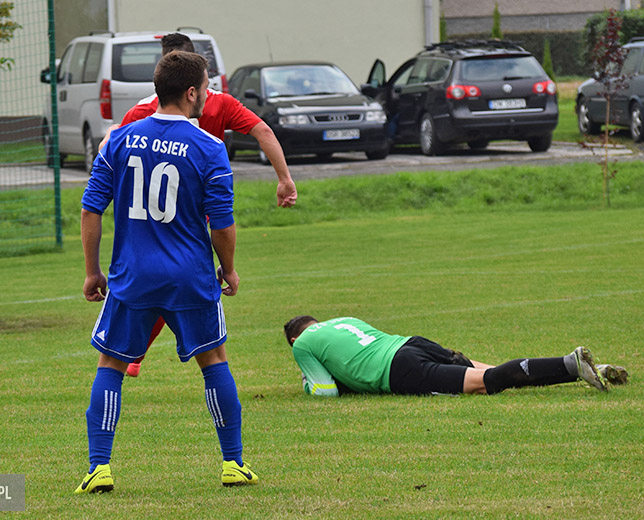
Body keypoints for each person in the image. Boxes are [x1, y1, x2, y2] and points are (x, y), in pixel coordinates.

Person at [75, 50, 259, 494]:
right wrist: (229, 269)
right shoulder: (210, 147)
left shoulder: (119, 139)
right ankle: (233, 463)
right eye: (206, 88)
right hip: (189, 276)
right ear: (192, 92)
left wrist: (92, 271)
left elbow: (90, 209)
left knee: (111, 364)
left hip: (132, 276)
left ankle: (99, 467)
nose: (208, 95)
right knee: (214, 360)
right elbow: (222, 224)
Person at [101, 32, 297, 379]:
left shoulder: (142, 112)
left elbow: (113, 151)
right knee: (184, 284)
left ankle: (133, 354)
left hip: (149, 219)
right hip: (196, 214)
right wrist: (284, 178)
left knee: (154, 281)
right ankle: (202, 360)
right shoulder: (220, 104)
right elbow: (263, 131)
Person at [283, 315, 629, 397]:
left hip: (399, 368)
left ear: (295, 337)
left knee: (487, 382)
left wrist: (308, 381)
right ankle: (584, 368)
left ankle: (570, 363)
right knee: (492, 371)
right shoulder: (343, 320)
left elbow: (325, 392)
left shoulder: (303, 344)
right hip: (411, 343)